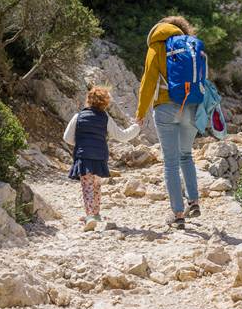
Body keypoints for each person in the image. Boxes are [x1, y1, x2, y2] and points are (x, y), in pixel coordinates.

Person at [135, 16, 202, 229]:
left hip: (165, 107)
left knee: (171, 162)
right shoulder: (191, 46)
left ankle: (178, 214)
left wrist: (141, 111)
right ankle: (194, 201)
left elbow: (148, 81)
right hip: (190, 106)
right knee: (186, 155)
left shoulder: (156, 46)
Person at [64, 86, 140, 231]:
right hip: (99, 157)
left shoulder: (78, 116)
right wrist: (136, 127)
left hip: (84, 156)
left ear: (88, 100)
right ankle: (96, 214)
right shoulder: (105, 118)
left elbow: (67, 138)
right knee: (96, 185)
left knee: (87, 186)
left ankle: (90, 216)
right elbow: (122, 136)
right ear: (105, 103)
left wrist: (80, 143)